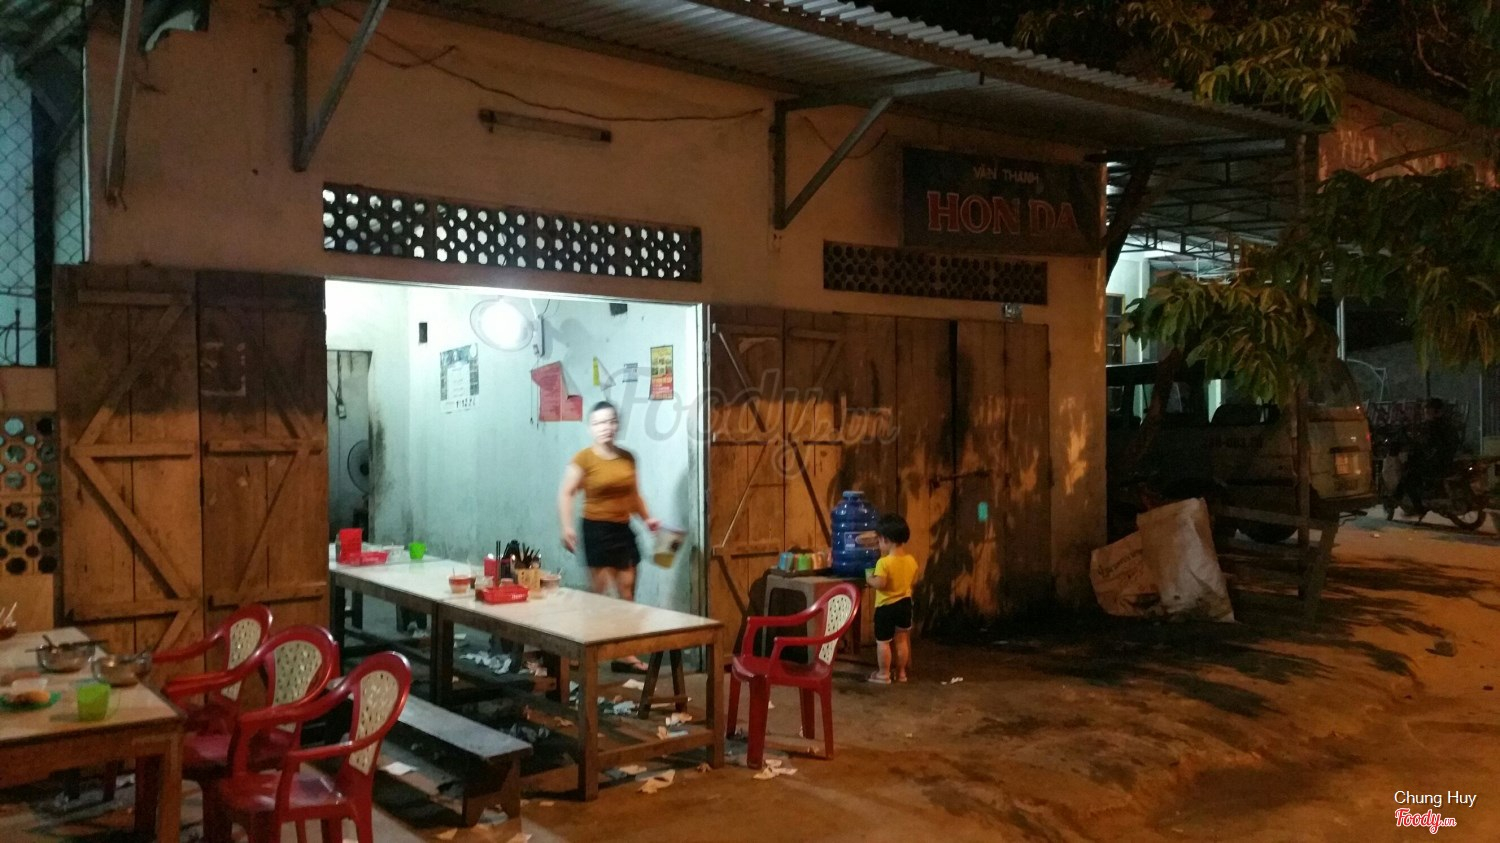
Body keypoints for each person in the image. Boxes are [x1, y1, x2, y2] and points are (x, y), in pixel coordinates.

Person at [558, 400, 659, 672]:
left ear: (617, 425)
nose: (606, 427)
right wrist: (566, 526)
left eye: (611, 421)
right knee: (598, 595)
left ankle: (625, 654)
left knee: (627, 592)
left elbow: (634, 495)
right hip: (596, 529)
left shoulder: (628, 458)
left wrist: (647, 518)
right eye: (600, 423)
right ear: (591, 427)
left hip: (622, 530)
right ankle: (583, 650)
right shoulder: (583, 459)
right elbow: (567, 493)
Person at [865, 513, 918, 685]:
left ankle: (884, 674)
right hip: (905, 604)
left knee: (883, 642)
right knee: (901, 640)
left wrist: (869, 578)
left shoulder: (884, 563)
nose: (879, 544)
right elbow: (912, 580)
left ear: (886, 540)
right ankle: (901, 673)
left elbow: (880, 584)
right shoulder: (911, 560)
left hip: (886, 607)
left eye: (879, 540)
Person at [1395, 398, 1461, 518]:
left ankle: (1418, 508)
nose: (1425, 414)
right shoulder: (1448, 424)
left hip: (1436, 464)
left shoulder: (1433, 426)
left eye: (1427, 411)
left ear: (1435, 412)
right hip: (1446, 461)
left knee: (1408, 478)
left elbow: (1425, 444)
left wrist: (1414, 447)